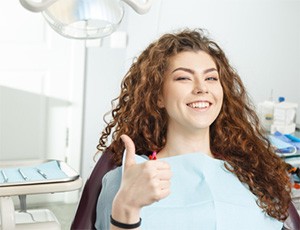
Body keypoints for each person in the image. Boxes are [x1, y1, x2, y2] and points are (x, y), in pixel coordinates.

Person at [95, 28, 291, 229]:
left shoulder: (254, 174)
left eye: (211, 78)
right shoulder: (130, 178)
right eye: (183, 78)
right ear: (158, 96)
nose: (201, 88)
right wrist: (126, 207)